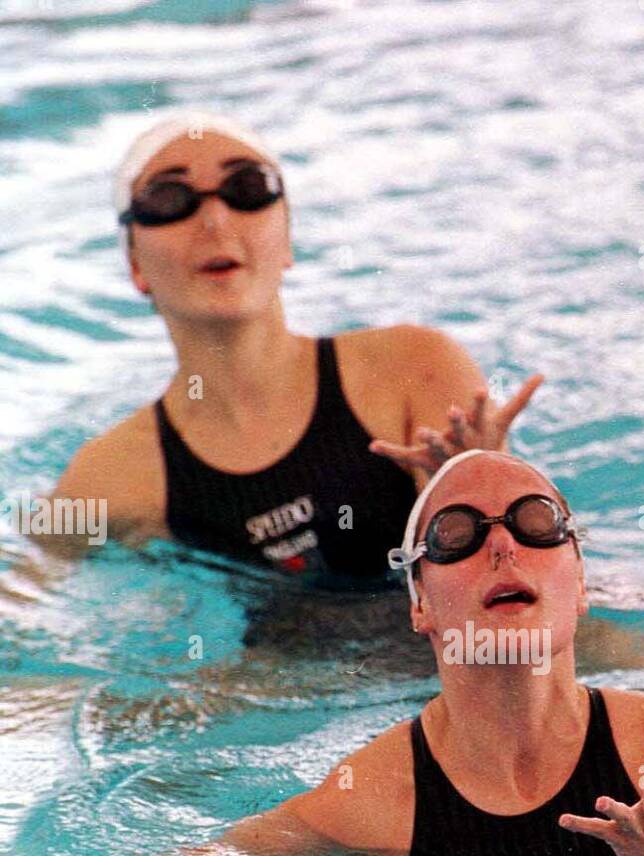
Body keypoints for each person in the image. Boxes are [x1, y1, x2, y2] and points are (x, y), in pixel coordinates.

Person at [45, 448, 644, 856]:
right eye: (456, 536)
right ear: (419, 605)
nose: (502, 547)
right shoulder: (381, 796)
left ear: (579, 578)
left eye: (537, 524)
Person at [39, 110, 542, 580]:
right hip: (269, 675)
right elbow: (26, 606)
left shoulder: (413, 369)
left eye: (247, 188)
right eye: (170, 200)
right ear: (134, 264)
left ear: (287, 240)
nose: (215, 221)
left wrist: (488, 494)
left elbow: (527, 587)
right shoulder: (113, 477)